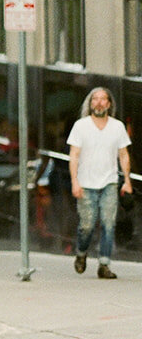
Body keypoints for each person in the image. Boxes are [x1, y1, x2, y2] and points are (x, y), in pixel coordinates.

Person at [67, 86, 132, 279]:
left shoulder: (117, 127)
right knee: (86, 225)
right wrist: (74, 181)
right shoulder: (81, 126)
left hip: (109, 182)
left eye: (103, 99)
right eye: (95, 99)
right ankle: (81, 252)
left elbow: (123, 155)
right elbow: (74, 155)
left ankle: (104, 264)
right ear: (90, 103)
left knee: (108, 224)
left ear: (109, 104)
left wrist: (127, 181)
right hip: (86, 183)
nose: (99, 103)